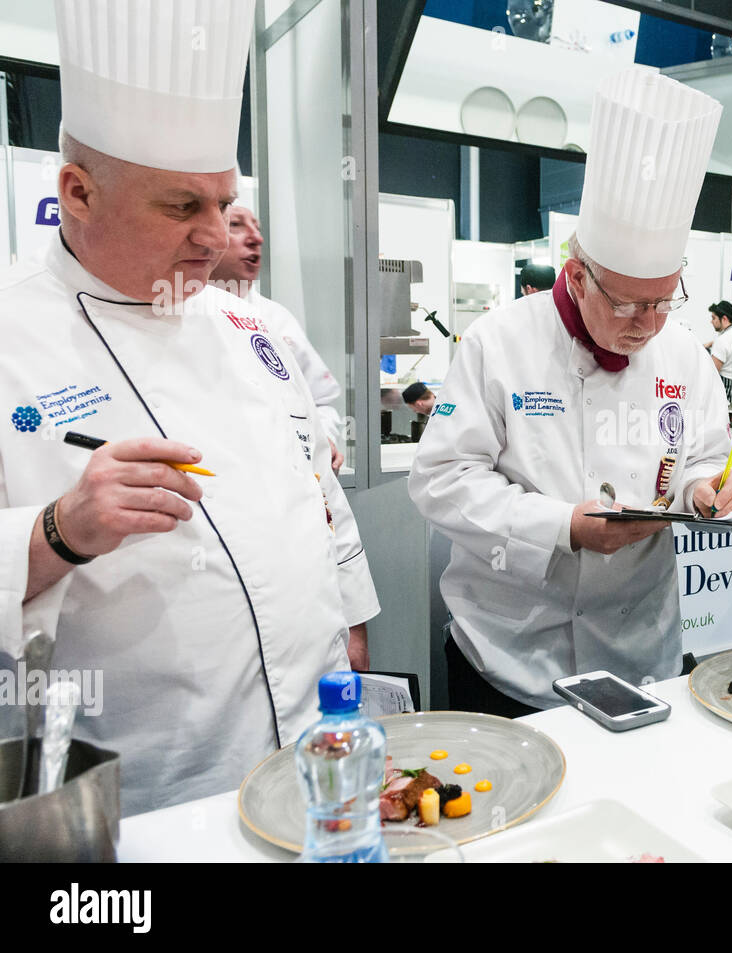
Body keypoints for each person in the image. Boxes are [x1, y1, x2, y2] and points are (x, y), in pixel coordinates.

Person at [0, 0, 380, 815]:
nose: (216, 234)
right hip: (151, 782)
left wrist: (352, 618)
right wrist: (58, 529)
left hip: (320, 757)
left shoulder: (255, 324)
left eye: (223, 201)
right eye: (182, 207)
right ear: (78, 192)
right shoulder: (10, 333)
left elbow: (317, 490)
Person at [408, 67, 732, 716]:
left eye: (662, 300)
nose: (646, 325)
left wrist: (707, 488)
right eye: (625, 303)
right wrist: (561, 526)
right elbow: (440, 481)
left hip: (640, 654)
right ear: (576, 273)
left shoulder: (682, 352)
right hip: (508, 657)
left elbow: (700, 456)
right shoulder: (497, 343)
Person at [209, 205, 346, 472]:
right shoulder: (174, 314)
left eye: (258, 228)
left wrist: (324, 437)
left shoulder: (276, 318)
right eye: (236, 225)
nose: (256, 238)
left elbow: (322, 401)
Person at [707, 300, 732, 402]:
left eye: (714, 318)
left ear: (724, 318)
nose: (711, 321)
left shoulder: (721, 340)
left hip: (726, 392)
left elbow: (712, 372)